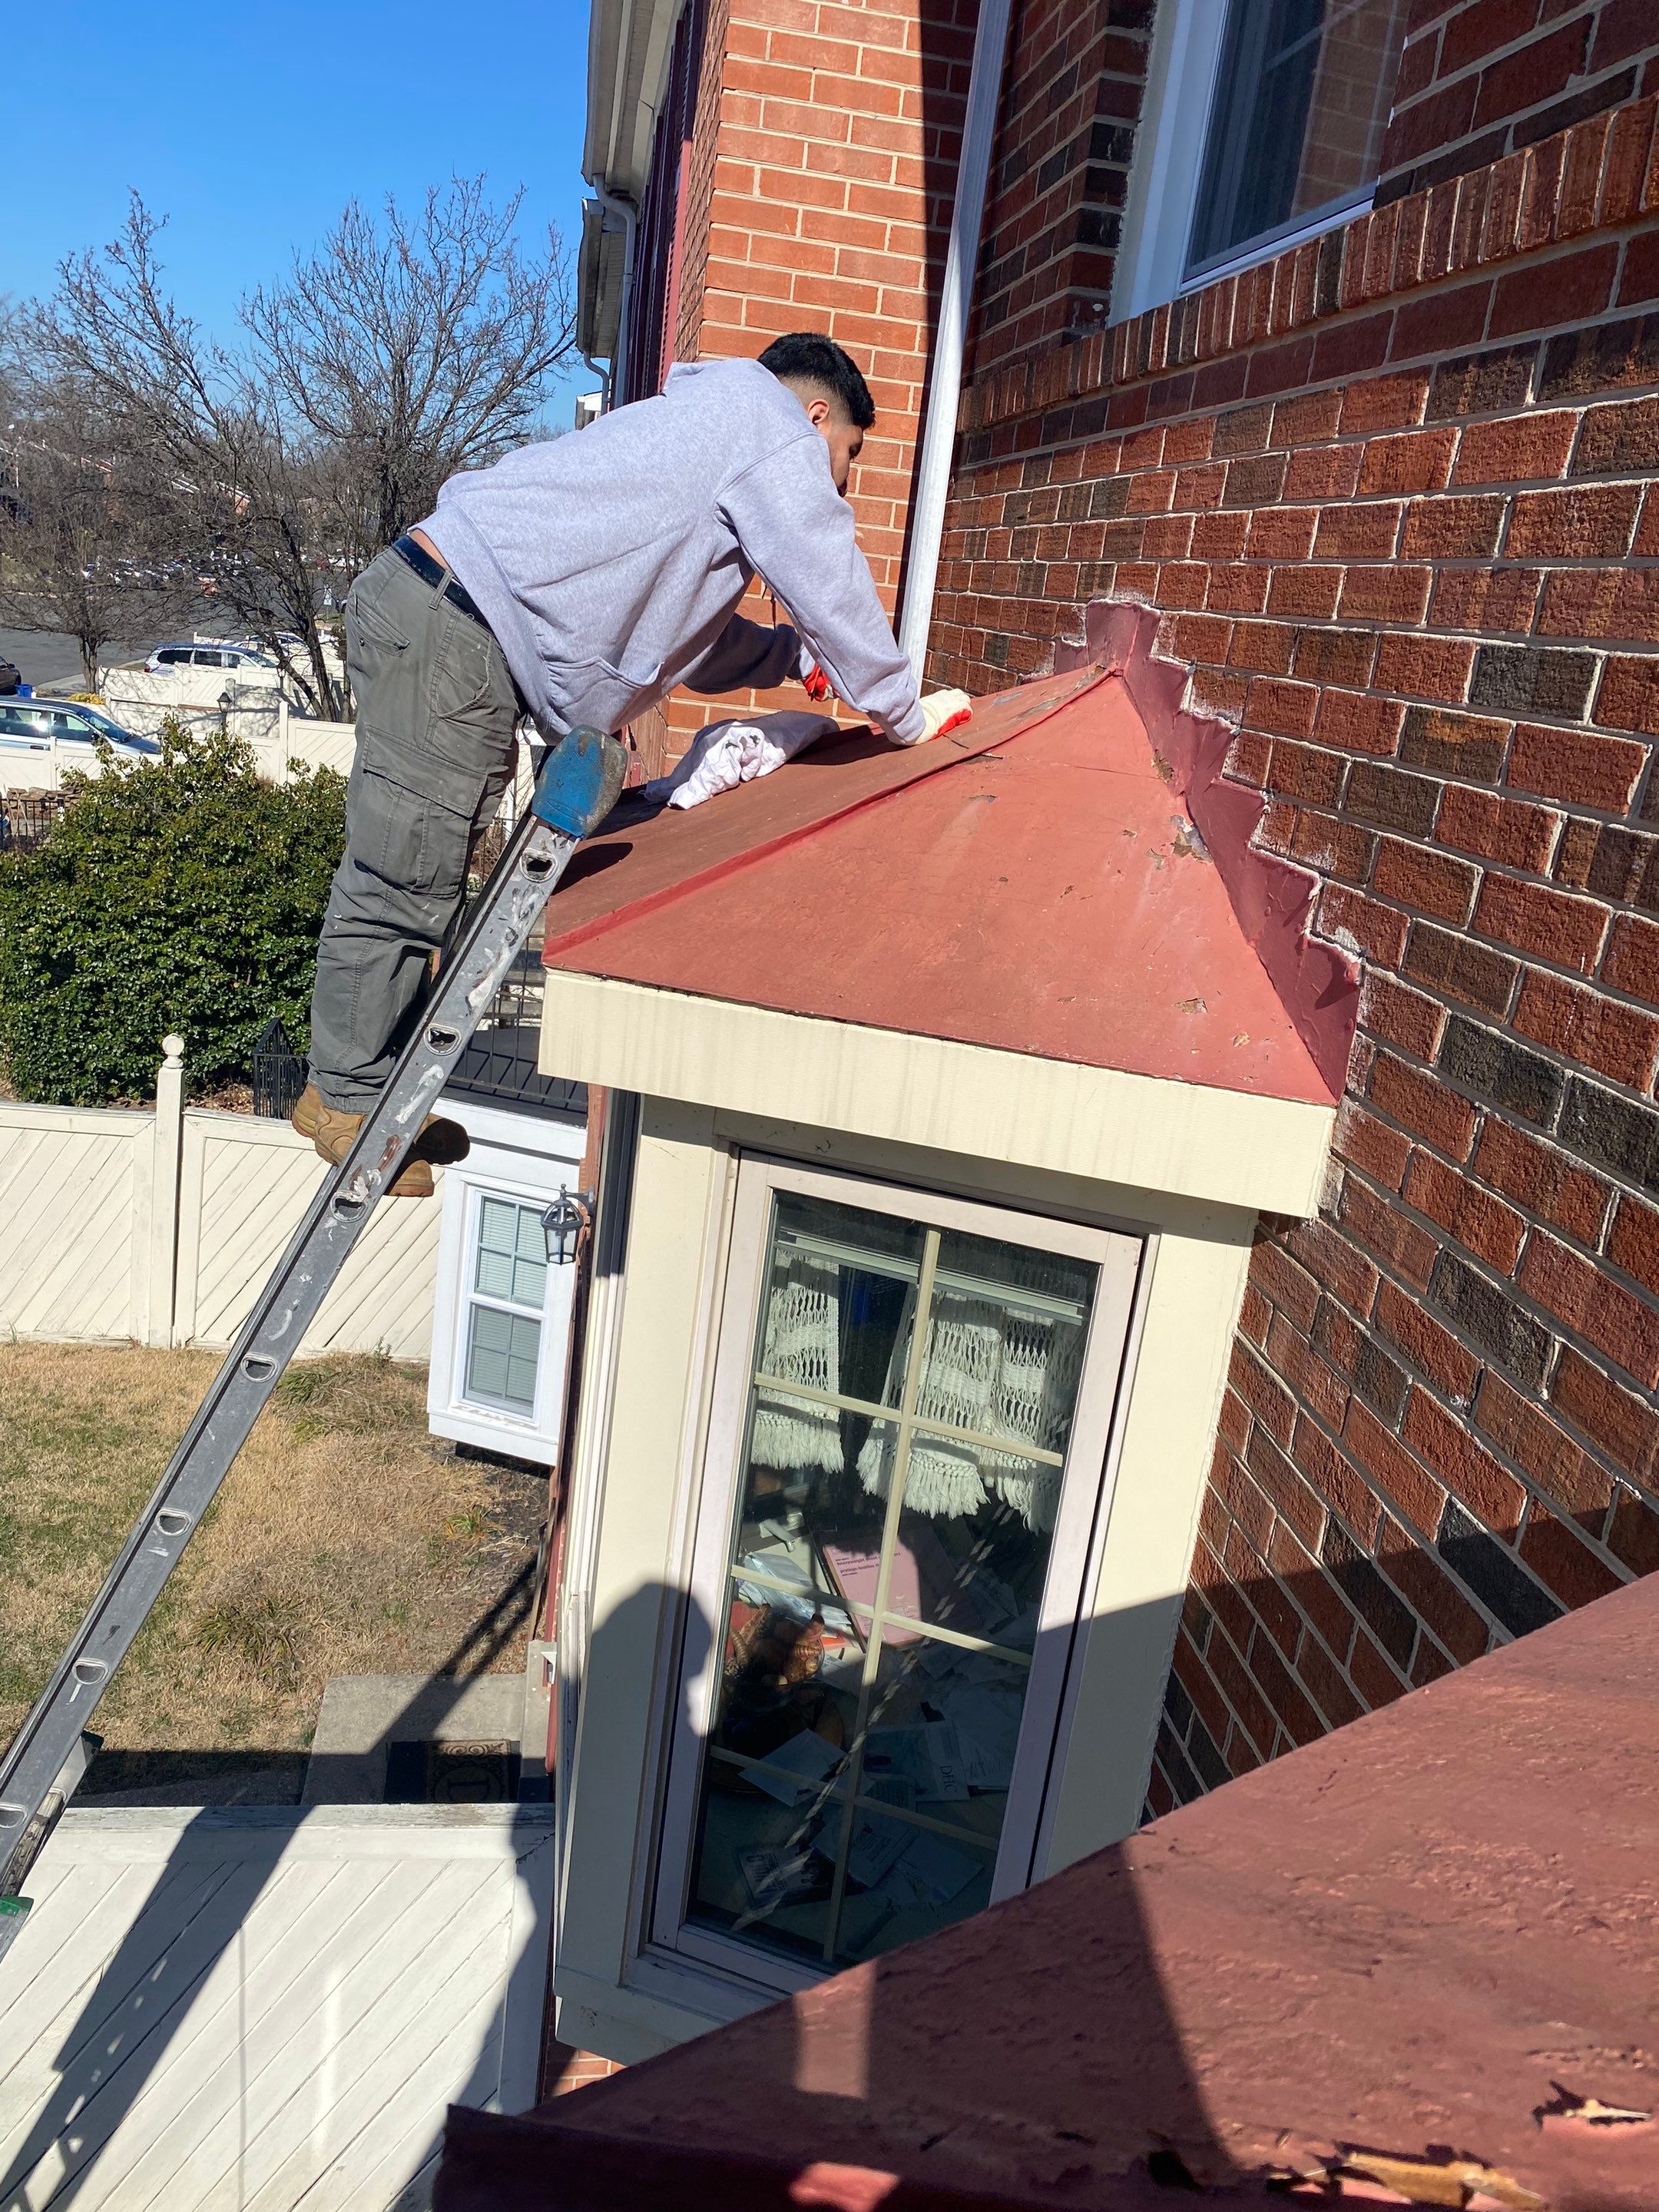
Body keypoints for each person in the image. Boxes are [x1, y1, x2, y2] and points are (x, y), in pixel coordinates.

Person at [293, 330, 972, 1195]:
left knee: (423, 870)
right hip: (455, 625)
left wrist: (786, 658)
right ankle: (344, 1098)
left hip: (456, 622)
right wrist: (903, 712)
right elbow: (827, 572)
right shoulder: (766, 430)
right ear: (813, 417)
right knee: (405, 874)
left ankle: (363, 1087)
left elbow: (683, 643)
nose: (841, 480)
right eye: (848, 454)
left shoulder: (705, 437)